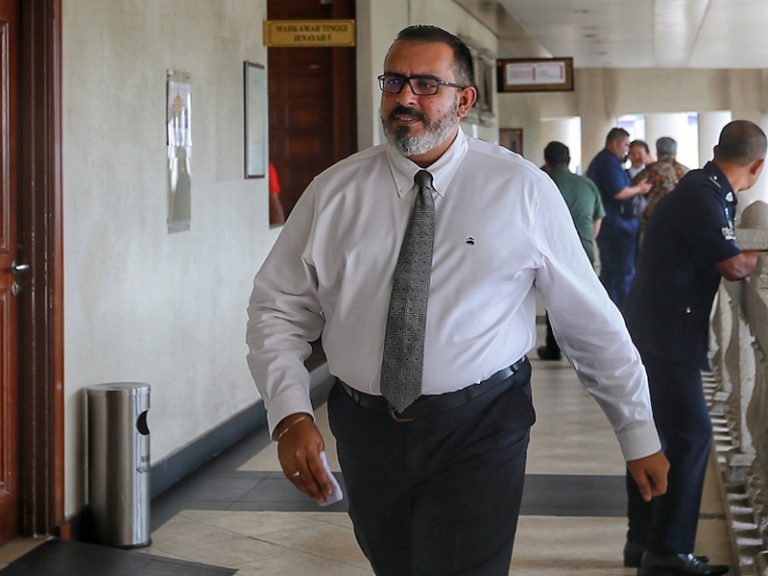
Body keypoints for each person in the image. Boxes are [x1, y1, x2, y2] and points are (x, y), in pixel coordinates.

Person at [246, 25, 668, 576]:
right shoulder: (334, 192)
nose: (405, 98)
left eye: (426, 84)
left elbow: (588, 320)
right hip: (366, 430)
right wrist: (289, 413)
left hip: (481, 425)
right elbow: (277, 308)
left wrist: (636, 429)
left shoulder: (521, 189)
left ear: (464, 100)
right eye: (394, 82)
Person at [623, 120, 767, 576]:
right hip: (667, 335)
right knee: (691, 436)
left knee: (659, 437)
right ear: (758, 166)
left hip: (658, 328)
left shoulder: (705, 188)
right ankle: (668, 551)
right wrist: (760, 254)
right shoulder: (704, 195)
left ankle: (642, 540)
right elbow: (733, 266)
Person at [537, 141, 605, 361]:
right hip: (584, 251)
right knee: (586, 300)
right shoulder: (587, 184)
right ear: (569, 160)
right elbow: (597, 220)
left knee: (554, 301)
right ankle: (588, 350)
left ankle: (553, 348)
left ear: (547, 161)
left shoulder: (540, 182)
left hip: (551, 252)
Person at [587, 128, 652, 309]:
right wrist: (640, 189)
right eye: (626, 145)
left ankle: (609, 312)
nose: (627, 150)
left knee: (611, 273)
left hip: (616, 226)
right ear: (615, 143)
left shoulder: (609, 162)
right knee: (623, 273)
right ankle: (623, 313)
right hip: (618, 227)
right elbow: (619, 192)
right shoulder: (607, 162)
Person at [637, 136, 690, 234]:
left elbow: (635, 192)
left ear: (657, 153)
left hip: (652, 223)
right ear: (675, 152)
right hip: (680, 223)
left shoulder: (648, 171)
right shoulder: (686, 172)